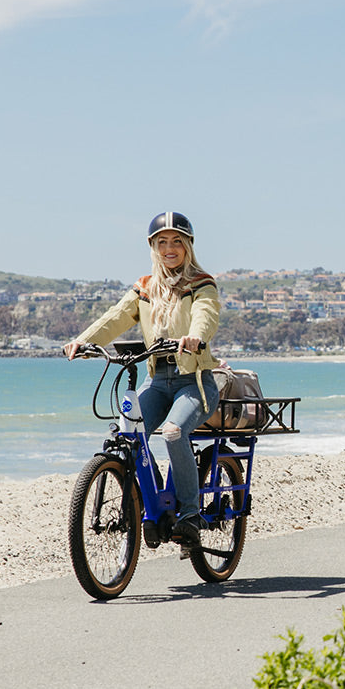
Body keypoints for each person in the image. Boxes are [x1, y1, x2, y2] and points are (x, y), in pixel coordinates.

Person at [63, 212, 222, 548]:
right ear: (153, 247)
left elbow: (205, 315)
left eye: (177, 241)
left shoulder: (201, 283)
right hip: (157, 380)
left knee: (173, 432)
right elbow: (116, 316)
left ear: (188, 246)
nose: (169, 248)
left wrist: (195, 336)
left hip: (193, 381)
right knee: (128, 435)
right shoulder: (146, 287)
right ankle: (152, 506)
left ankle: (190, 513)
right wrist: (84, 340)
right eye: (162, 242)